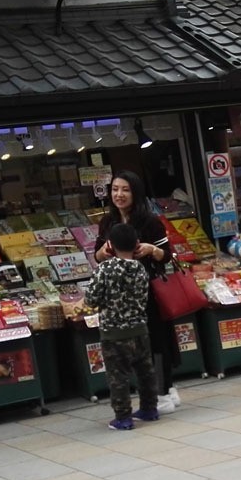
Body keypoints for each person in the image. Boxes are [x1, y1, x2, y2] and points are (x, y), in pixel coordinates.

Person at [94, 171, 180, 414]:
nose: (119, 195)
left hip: (149, 292)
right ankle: (157, 393)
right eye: (115, 189)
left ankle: (162, 393)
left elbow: (167, 257)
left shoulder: (149, 221)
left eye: (125, 190)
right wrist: (106, 250)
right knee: (130, 350)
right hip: (120, 298)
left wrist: (152, 249)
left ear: (136, 192)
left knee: (156, 342)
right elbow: (97, 256)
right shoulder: (107, 222)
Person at [85, 223, 159, 430]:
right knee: (145, 371)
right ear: (136, 244)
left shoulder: (104, 269)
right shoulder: (141, 269)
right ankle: (149, 408)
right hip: (140, 329)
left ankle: (123, 417)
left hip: (113, 332)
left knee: (118, 376)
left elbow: (91, 299)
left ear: (110, 245)